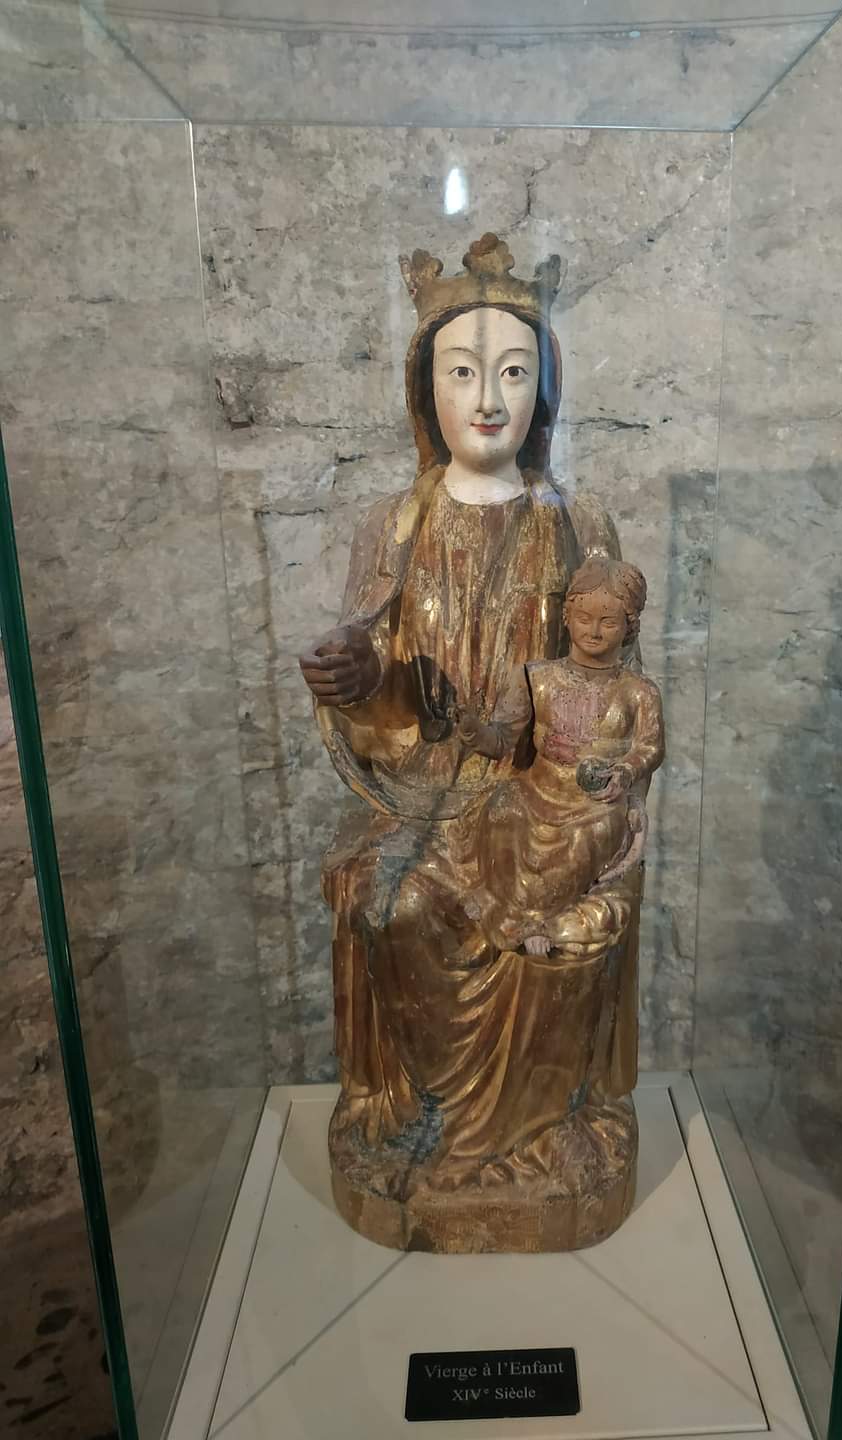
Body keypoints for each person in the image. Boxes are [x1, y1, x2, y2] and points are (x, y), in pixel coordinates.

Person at [297, 235, 643, 1251]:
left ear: (546, 391)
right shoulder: (395, 525)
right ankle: (421, 1122)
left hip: (544, 788)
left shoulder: (579, 525)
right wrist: (356, 673)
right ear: (425, 390)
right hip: (423, 785)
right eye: (461, 372)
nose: (488, 400)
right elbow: (374, 647)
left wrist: (575, 764)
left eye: (514, 373)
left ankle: (539, 1124)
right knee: (389, 901)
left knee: (561, 911)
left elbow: (618, 680)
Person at [457, 557, 664, 959]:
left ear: (629, 627)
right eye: (584, 618)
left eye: (608, 622)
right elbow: (502, 741)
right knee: (502, 810)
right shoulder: (536, 678)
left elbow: (650, 746)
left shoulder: (638, 691)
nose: (594, 631)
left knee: (591, 835)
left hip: (593, 804)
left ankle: (546, 922)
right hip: (537, 789)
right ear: (567, 617)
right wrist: (472, 731)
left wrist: (625, 772)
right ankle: (506, 911)